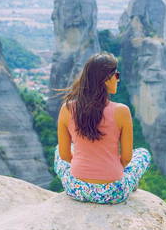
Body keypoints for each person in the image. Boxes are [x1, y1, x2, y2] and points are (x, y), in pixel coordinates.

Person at [53, 52, 151, 204]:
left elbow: (65, 155)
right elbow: (126, 157)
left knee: (58, 150)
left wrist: (86, 168)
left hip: (77, 188)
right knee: (143, 154)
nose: (118, 79)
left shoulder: (66, 109)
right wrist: (108, 170)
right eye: (116, 75)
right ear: (106, 79)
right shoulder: (121, 111)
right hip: (113, 192)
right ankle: (129, 184)